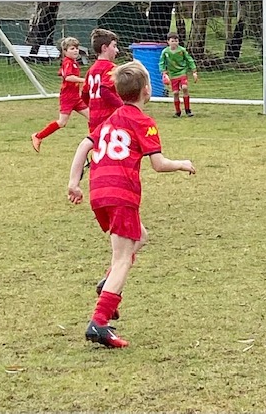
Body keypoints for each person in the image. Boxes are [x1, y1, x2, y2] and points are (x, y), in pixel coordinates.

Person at [67, 60, 196, 349]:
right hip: (121, 193)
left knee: (141, 237)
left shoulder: (110, 119)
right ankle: (99, 322)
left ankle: (108, 283)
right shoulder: (144, 122)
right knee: (123, 259)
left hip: (99, 191)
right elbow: (159, 164)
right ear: (146, 91)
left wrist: (73, 182)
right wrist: (181, 164)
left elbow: (84, 144)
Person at [31, 37, 88, 152]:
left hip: (76, 97)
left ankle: (94, 143)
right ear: (65, 51)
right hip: (67, 98)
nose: (76, 51)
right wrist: (84, 80)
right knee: (62, 123)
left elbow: (62, 73)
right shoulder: (68, 62)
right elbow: (68, 77)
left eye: (76, 48)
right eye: (72, 48)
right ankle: (38, 136)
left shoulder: (73, 62)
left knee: (93, 117)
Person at [81, 28, 123, 132]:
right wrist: (123, 106)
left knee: (97, 147)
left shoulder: (91, 70)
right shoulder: (111, 68)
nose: (117, 50)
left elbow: (84, 94)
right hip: (109, 119)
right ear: (104, 48)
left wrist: (94, 106)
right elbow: (104, 90)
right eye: (114, 46)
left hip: (94, 118)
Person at [159, 32, 198, 117]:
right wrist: (163, 72)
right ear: (168, 42)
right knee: (175, 93)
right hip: (173, 74)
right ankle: (178, 112)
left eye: (176, 41)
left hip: (182, 72)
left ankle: (188, 110)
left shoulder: (182, 50)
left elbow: (189, 60)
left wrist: (194, 70)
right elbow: (161, 63)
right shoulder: (165, 52)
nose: (174, 43)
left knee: (184, 87)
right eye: (172, 41)